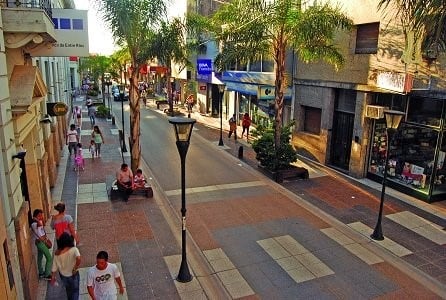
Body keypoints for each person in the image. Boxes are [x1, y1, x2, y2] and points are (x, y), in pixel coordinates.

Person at [50, 233, 81, 300]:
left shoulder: (57, 253)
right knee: (75, 291)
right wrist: (75, 267)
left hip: (63, 276)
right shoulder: (74, 249)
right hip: (73, 275)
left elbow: (54, 268)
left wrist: (53, 277)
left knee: (68, 291)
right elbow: (78, 258)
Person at [31, 209, 52, 280]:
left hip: (41, 242)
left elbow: (42, 226)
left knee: (39, 258)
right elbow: (39, 224)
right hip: (40, 243)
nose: (41, 217)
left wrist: (40, 219)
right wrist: (36, 219)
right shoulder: (34, 223)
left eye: (41, 215)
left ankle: (41, 273)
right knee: (49, 258)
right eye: (39, 216)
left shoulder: (38, 222)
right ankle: (47, 274)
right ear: (36, 216)